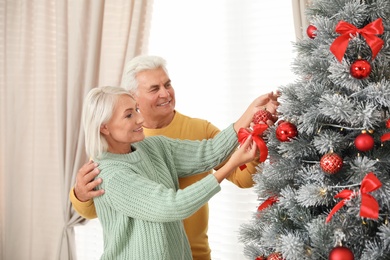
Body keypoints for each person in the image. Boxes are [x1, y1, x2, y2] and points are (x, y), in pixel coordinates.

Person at [69, 55, 279, 259]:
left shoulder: (155, 145)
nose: (165, 94)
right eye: (129, 114)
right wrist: (79, 193)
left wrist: (253, 113)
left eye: (167, 85)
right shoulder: (111, 170)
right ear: (104, 127)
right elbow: (171, 205)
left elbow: (213, 151)